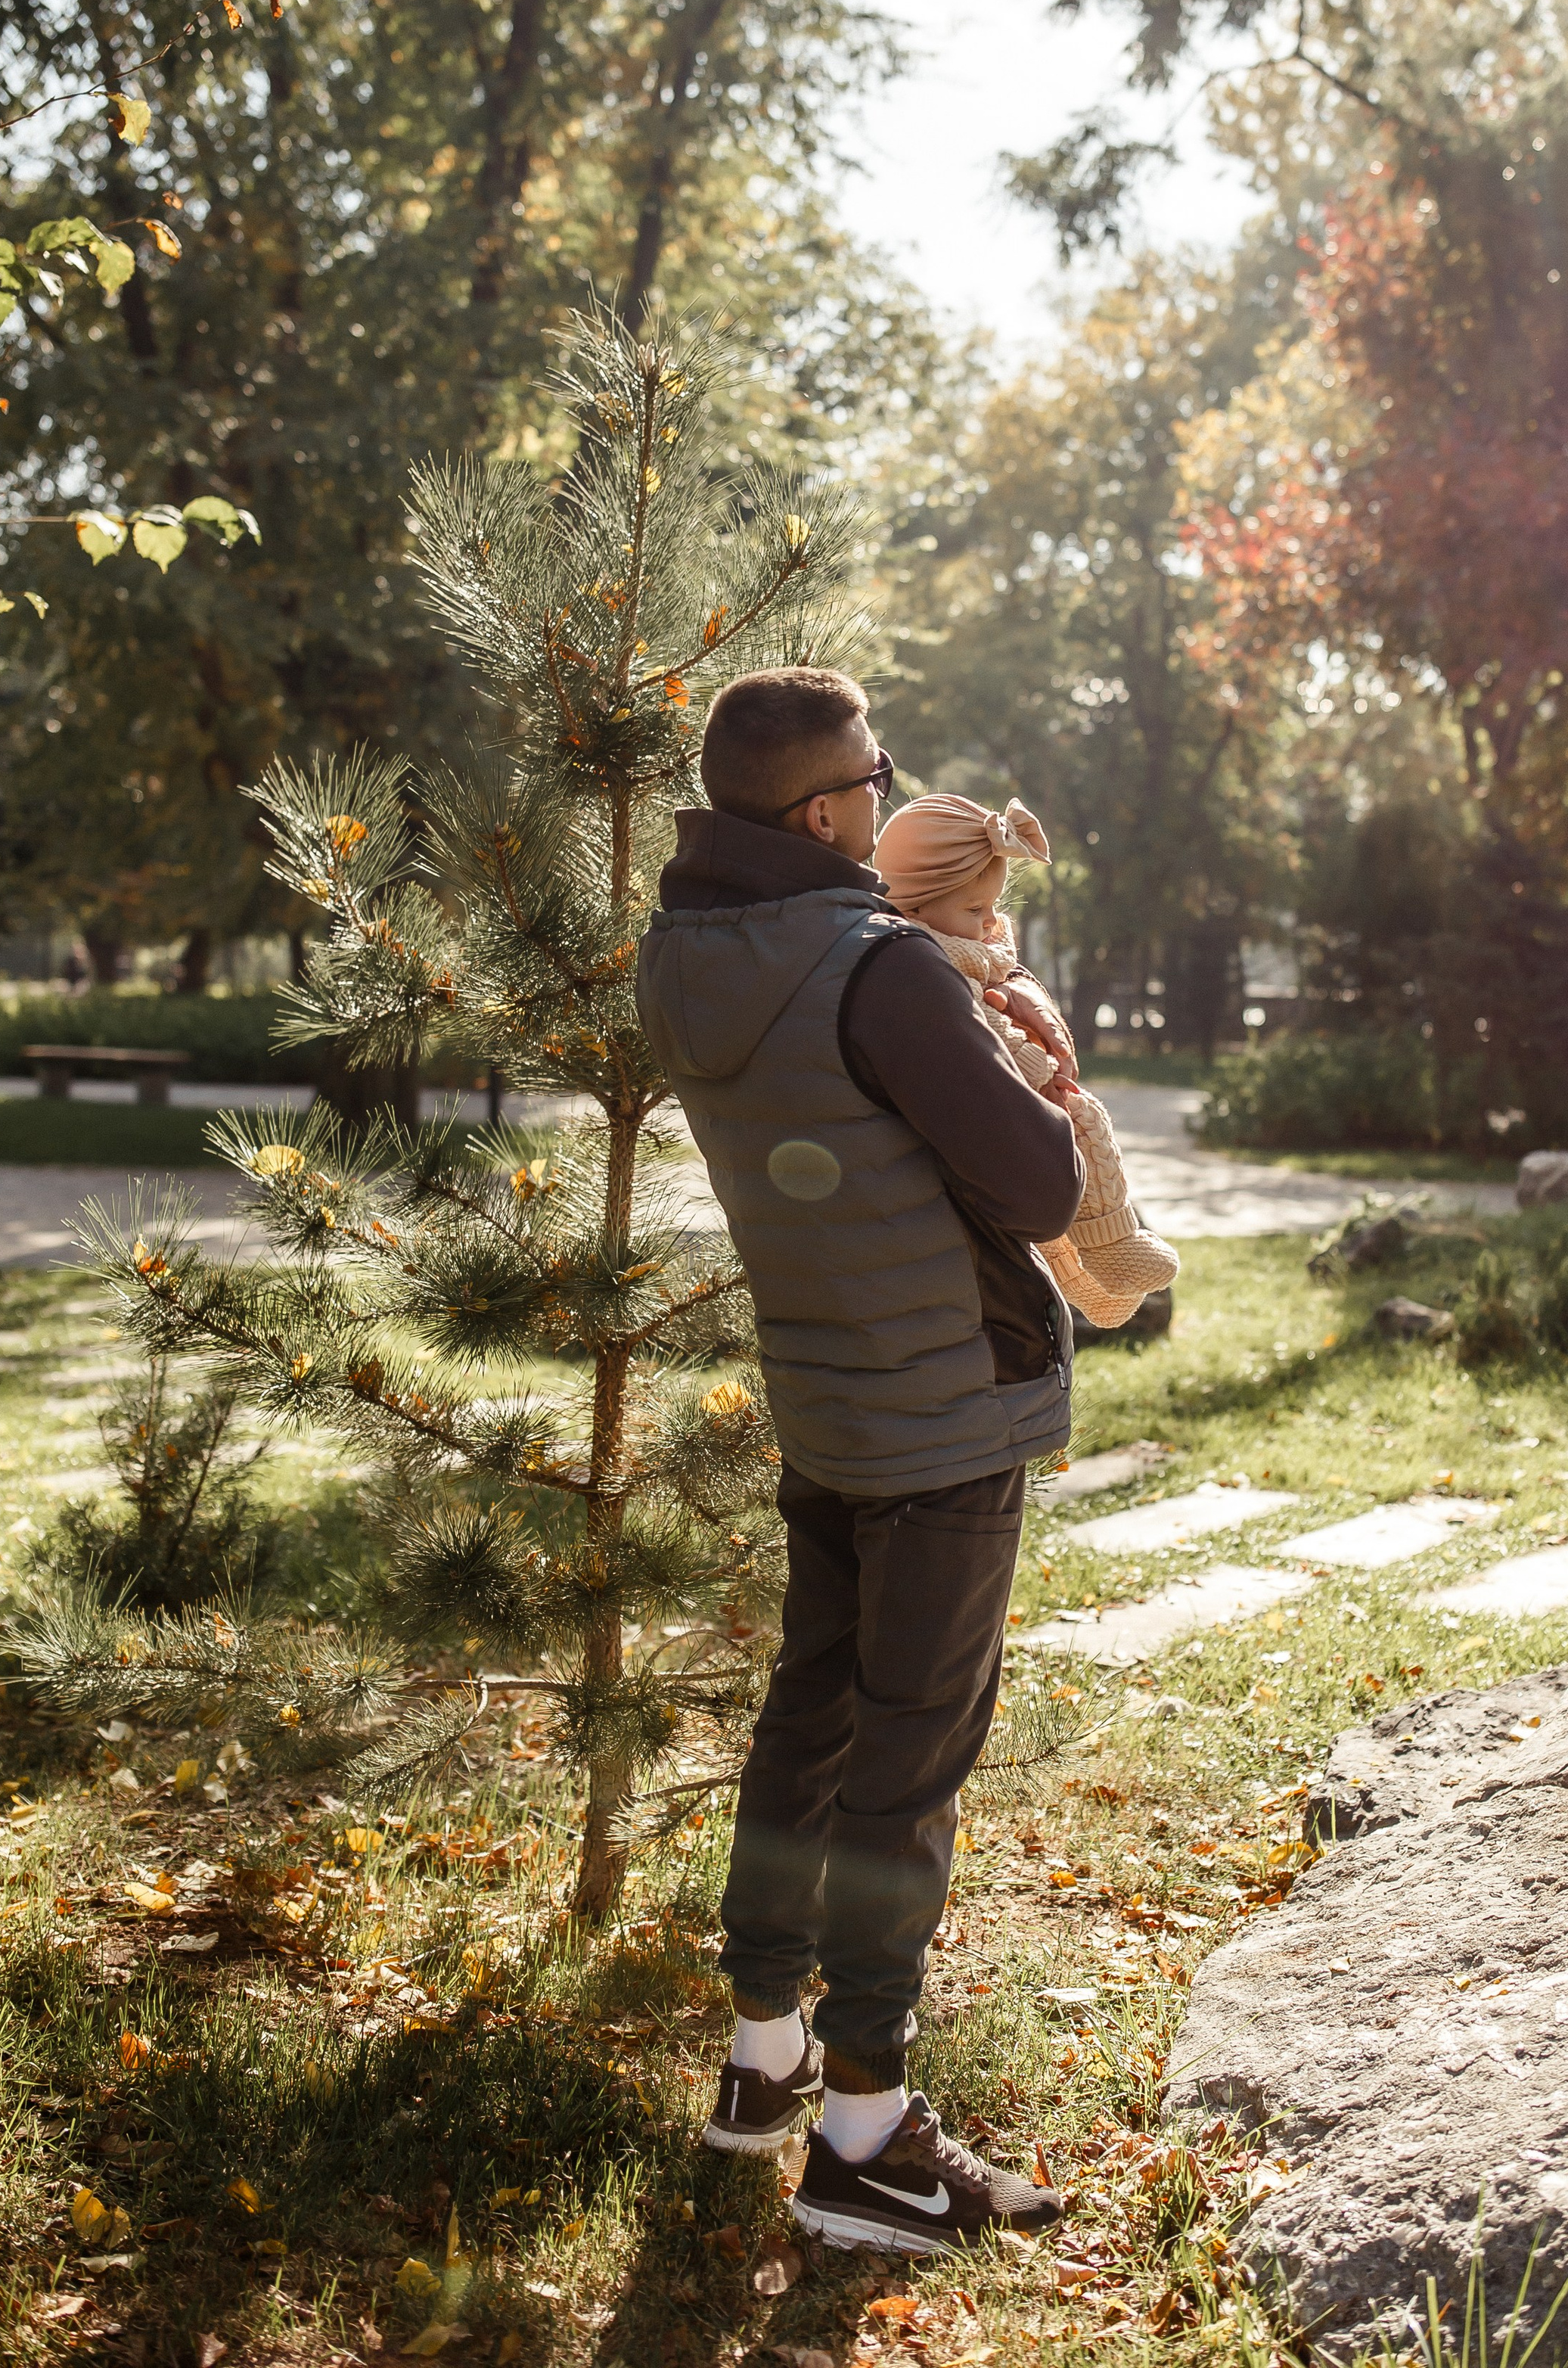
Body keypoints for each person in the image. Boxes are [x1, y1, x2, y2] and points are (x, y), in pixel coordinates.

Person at [636, 667, 1082, 2253]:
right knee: (907, 1771)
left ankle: (763, 2065)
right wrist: (1032, 1066)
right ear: (824, 811)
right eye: (875, 776)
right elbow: (1032, 1187)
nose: (889, 799)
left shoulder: (678, 959)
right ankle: (867, 2139)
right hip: (944, 1416)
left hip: (826, 1400)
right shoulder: (880, 968)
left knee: (812, 1714)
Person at [871, 793, 1180, 1327]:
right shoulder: (923, 970)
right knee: (1080, 1126)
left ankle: (1114, 1245)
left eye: (993, 906)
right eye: (974, 910)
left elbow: (997, 971)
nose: (991, 921)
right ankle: (1108, 1246)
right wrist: (1041, 1072)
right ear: (914, 906)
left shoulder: (976, 951)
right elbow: (987, 1033)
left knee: (1086, 1122)